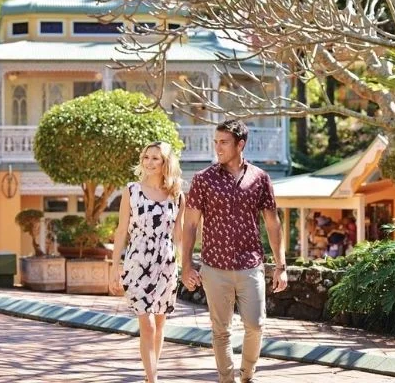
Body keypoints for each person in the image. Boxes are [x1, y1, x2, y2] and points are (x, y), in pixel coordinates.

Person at [181, 119, 288, 383]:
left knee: (256, 324)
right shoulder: (203, 179)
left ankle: (248, 375)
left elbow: (273, 224)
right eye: (216, 142)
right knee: (221, 331)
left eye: (224, 142)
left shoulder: (260, 178)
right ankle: (226, 378)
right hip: (214, 267)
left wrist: (280, 266)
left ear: (241, 144)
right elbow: (190, 224)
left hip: (250, 264)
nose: (218, 147)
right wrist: (186, 265)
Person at [110, 141, 185, 383]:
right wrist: (115, 268)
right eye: (147, 157)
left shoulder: (176, 194)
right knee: (149, 326)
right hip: (137, 263)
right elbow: (121, 231)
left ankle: (150, 373)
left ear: (165, 163)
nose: (150, 162)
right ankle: (153, 380)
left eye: (156, 158)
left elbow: (180, 235)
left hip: (166, 264)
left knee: (161, 324)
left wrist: (188, 266)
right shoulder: (131, 191)